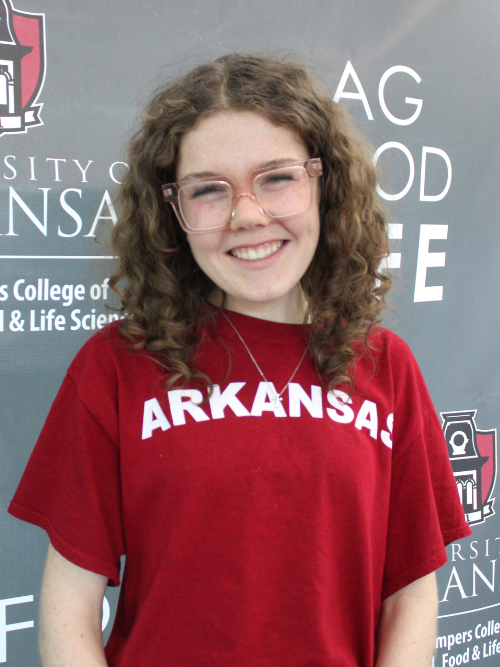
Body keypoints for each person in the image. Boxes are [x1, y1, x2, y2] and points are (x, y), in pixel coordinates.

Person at [9, 53, 471, 667]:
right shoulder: (117, 365)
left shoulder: (387, 366)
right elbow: (68, 608)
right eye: (208, 190)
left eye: (277, 178)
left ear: (323, 183)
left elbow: (410, 596)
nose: (247, 215)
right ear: (170, 212)